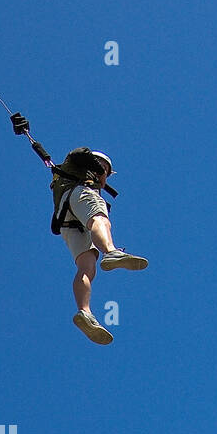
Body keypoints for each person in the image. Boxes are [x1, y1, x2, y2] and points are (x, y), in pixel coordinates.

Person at [52, 148, 148, 345]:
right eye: (104, 169)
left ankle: (84, 312)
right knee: (100, 219)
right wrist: (98, 170)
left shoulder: (66, 176)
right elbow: (80, 153)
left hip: (67, 221)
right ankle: (111, 252)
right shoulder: (80, 169)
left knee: (87, 267)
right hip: (78, 197)